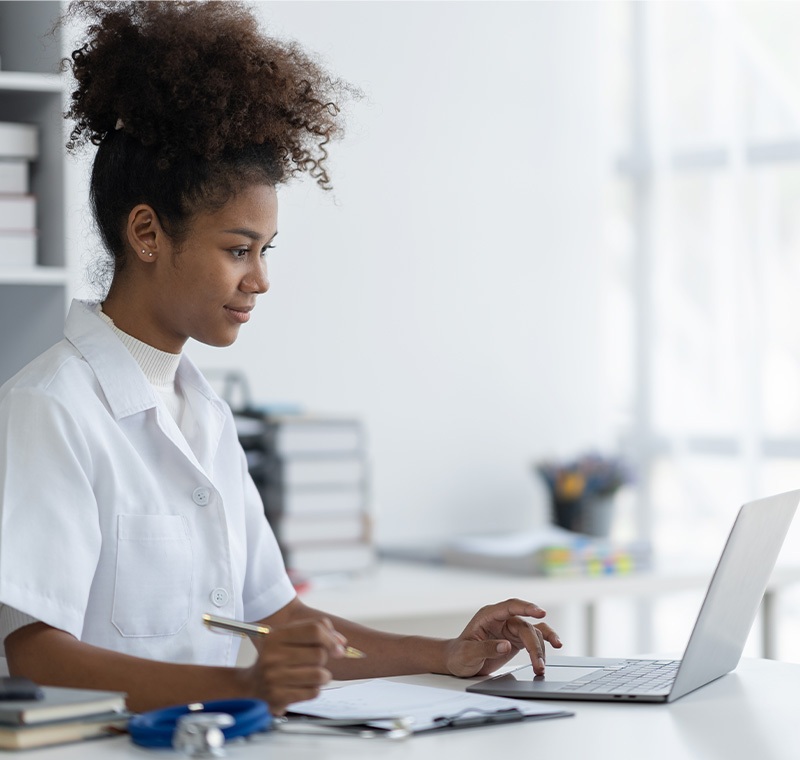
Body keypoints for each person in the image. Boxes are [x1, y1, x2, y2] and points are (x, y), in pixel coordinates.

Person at [0, 0, 561, 716]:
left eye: (265, 252)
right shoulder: (51, 409)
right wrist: (240, 689)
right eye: (238, 250)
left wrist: (445, 654)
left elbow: (280, 624)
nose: (259, 280)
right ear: (146, 231)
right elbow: (36, 654)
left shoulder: (203, 415)